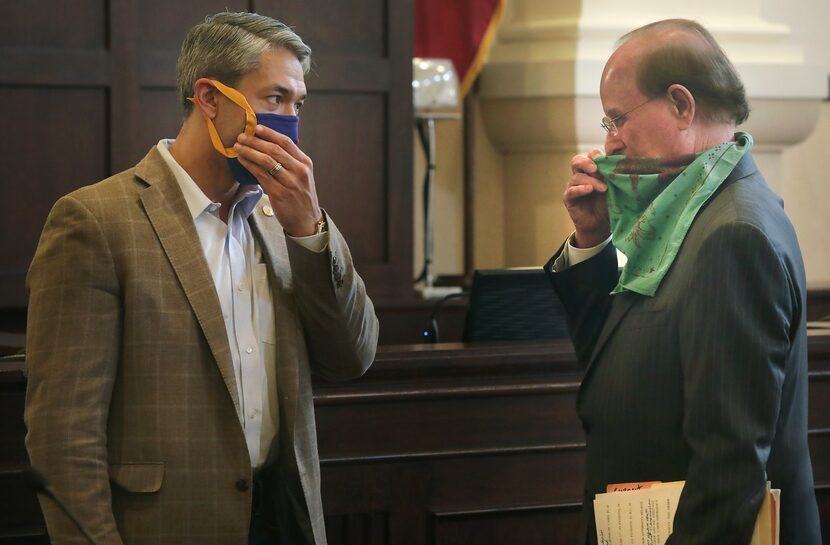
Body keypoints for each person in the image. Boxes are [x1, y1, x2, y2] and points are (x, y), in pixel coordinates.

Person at [24, 11, 378, 545]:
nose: (289, 121)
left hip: (283, 520)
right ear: (209, 99)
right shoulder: (95, 221)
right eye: (273, 99)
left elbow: (353, 356)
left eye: (297, 104)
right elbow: (63, 436)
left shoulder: (286, 216)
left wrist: (310, 229)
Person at [545, 19, 821, 545]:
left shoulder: (732, 234)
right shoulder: (687, 211)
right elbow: (606, 360)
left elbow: (729, 468)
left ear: (681, 104)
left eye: (618, 118)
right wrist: (592, 243)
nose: (609, 143)